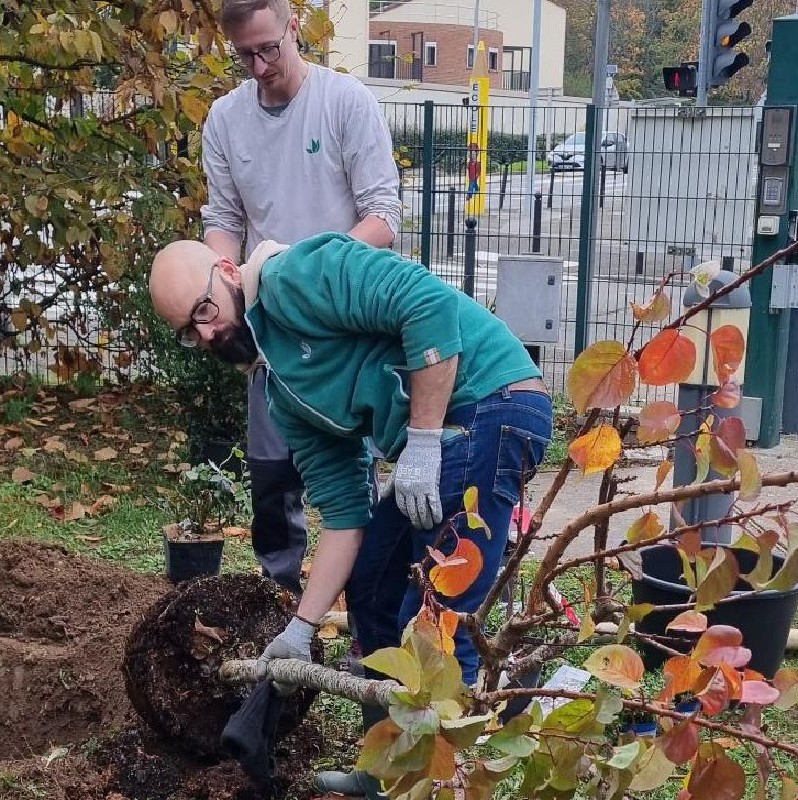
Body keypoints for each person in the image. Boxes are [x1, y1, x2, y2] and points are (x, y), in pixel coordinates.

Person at [149, 233, 552, 798]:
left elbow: (427, 303)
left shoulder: (297, 277)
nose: (208, 333)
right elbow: (344, 517)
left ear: (227, 270)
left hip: (494, 399)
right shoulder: (281, 393)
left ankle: (440, 784)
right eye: (190, 333)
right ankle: (385, 771)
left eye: (205, 311)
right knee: (373, 589)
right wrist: (299, 629)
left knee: (439, 614)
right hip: (448, 432)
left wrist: (425, 438)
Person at [201, 0, 400, 595]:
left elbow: (383, 218)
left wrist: (307, 270)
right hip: (270, 329)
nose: (260, 67)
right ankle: (280, 601)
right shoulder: (225, 119)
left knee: (353, 479)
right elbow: (223, 219)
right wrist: (223, 276)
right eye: (245, 55)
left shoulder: (344, 102)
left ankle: (367, 613)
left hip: (347, 327)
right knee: (272, 479)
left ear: (293, 27)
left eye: (269, 49)